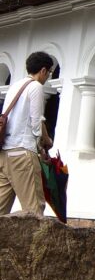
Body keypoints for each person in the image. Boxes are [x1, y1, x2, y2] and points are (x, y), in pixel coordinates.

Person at [0, 51, 55, 215]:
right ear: (43, 70)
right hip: (23, 153)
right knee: (34, 210)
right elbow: (36, 121)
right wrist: (45, 142)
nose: (48, 77)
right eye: (50, 73)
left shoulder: (15, 86)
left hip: (4, 154)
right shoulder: (36, 86)